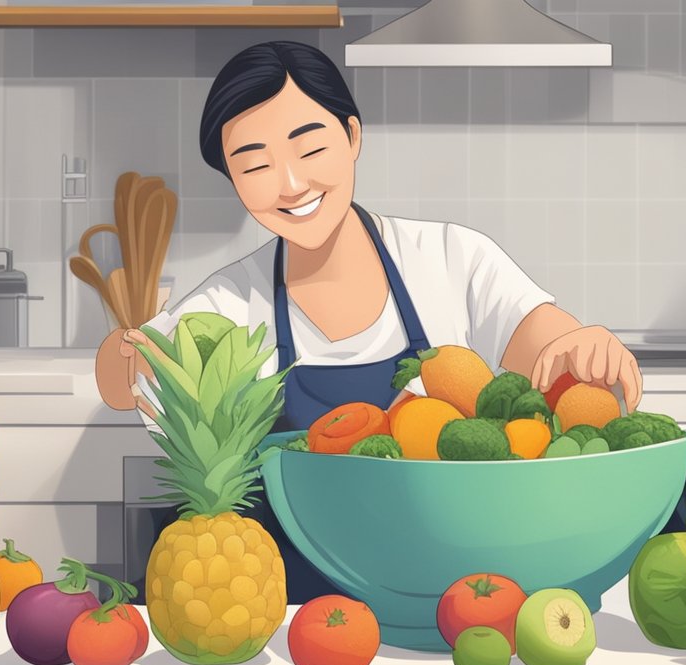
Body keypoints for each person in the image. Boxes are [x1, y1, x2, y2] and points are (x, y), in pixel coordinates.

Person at [96, 41, 643, 602]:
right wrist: (122, 354)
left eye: (309, 149)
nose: (290, 184)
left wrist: (578, 344)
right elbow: (125, 381)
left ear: (353, 137)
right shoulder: (229, 302)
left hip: (456, 594)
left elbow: (539, 338)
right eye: (255, 164)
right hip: (295, 610)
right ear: (234, 179)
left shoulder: (451, 257)